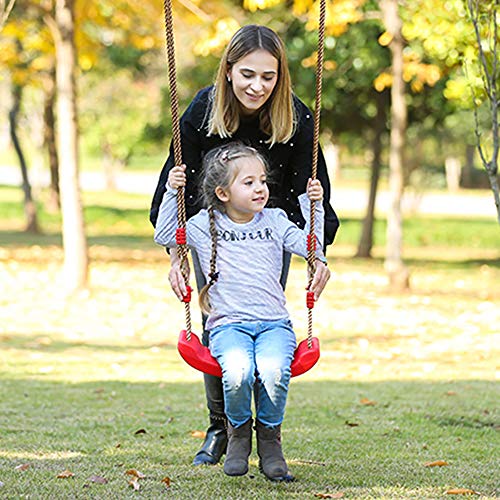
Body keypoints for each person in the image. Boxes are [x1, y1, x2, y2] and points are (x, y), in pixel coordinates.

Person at [149, 24, 339, 466]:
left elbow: (313, 190)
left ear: (280, 76)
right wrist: (176, 255)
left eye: (268, 77)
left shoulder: (296, 117)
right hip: (212, 233)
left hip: (273, 232)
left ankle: (268, 434)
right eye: (247, 74)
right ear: (229, 69)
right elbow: (177, 185)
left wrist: (316, 255)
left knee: (265, 318)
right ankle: (223, 429)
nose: (257, 86)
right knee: (220, 322)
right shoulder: (203, 109)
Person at [154, 142, 326, 480]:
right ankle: (237, 437)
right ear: (222, 192)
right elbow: (165, 235)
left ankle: (270, 442)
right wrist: (171, 194)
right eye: (248, 183)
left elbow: (311, 247)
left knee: (275, 370)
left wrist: (313, 206)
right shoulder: (205, 225)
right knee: (238, 370)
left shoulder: (275, 220)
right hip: (228, 326)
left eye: (262, 181)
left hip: (274, 325)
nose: (260, 188)